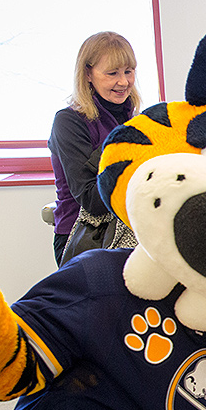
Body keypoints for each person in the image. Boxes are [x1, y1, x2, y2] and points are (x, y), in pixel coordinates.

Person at [49, 31, 141, 266]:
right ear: (88, 74)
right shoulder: (69, 122)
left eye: (128, 71)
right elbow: (92, 201)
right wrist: (126, 145)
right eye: (112, 73)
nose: (124, 82)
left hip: (132, 231)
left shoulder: (135, 119)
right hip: (84, 238)